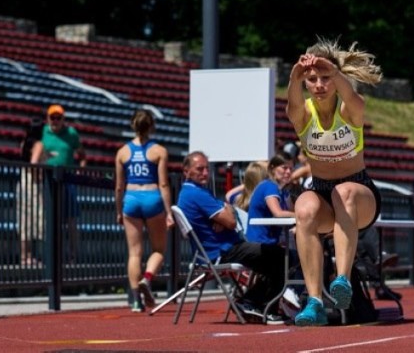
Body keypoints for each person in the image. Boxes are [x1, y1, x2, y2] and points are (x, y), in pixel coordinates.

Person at [286, 38, 382, 326]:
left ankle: (343, 280)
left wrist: (335, 73)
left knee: (345, 192)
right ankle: (314, 300)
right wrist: (294, 75)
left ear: (336, 78)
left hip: (358, 191)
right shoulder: (302, 113)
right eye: (312, 79)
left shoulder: (348, 109)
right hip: (322, 191)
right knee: (303, 207)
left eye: (325, 78)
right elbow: (291, 102)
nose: (318, 84)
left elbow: (353, 98)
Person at [177, 151, 287, 324]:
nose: (205, 173)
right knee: (283, 257)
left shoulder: (191, 192)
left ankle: (256, 303)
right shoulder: (196, 194)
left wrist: (226, 212)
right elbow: (230, 220)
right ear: (186, 171)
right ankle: (254, 303)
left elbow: (228, 210)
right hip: (223, 251)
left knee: (275, 257)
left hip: (221, 249)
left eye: (207, 168)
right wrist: (227, 213)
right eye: (200, 169)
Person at [114, 109, 174, 312]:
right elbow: (164, 184)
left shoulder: (122, 152)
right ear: (152, 126)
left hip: (131, 198)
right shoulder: (158, 151)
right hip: (152, 197)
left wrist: (119, 210)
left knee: (134, 253)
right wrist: (169, 212)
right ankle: (147, 279)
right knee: (158, 249)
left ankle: (135, 301)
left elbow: (119, 186)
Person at [41, 104, 86, 262]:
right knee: (50, 218)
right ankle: (52, 255)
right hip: (47, 181)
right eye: (52, 117)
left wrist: (80, 170)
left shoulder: (71, 133)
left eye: (58, 117)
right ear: (47, 119)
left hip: (68, 180)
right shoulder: (43, 132)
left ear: (63, 119)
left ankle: (73, 254)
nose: (55, 120)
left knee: (71, 218)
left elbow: (82, 154)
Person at [246, 153, 296, 245]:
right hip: (261, 243)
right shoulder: (270, 186)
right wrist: (301, 216)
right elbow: (278, 213)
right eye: (284, 168)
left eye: (291, 168)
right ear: (272, 169)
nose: (289, 172)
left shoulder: (284, 191)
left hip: (272, 241)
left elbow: (291, 212)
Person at [15, 117, 46, 266]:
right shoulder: (39, 144)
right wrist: (39, 177)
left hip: (22, 180)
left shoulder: (24, 143)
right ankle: (32, 257)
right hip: (33, 184)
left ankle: (24, 256)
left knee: (24, 220)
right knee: (37, 219)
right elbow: (34, 163)